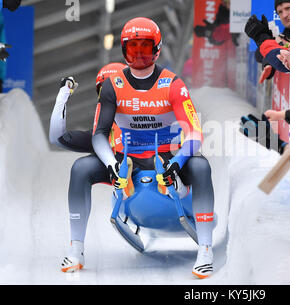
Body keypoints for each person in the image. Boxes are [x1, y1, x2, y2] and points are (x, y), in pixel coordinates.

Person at [91, 17, 215, 279]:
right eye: (132, 48)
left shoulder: (173, 85)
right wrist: (110, 164)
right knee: (92, 168)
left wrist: (178, 162)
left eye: (144, 48)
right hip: (129, 157)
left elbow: (194, 132)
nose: (138, 55)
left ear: (156, 49)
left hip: (167, 154)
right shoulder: (113, 86)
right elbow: (98, 134)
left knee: (201, 166)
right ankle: (127, 191)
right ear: (124, 50)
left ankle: (205, 248)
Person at [49, 62, 127, 273]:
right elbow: (57, 137)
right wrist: (63, 95)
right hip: (117, 169)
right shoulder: (99, 131)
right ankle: (76, 248)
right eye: (104, 90)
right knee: (81, 168)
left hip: (145, 168)